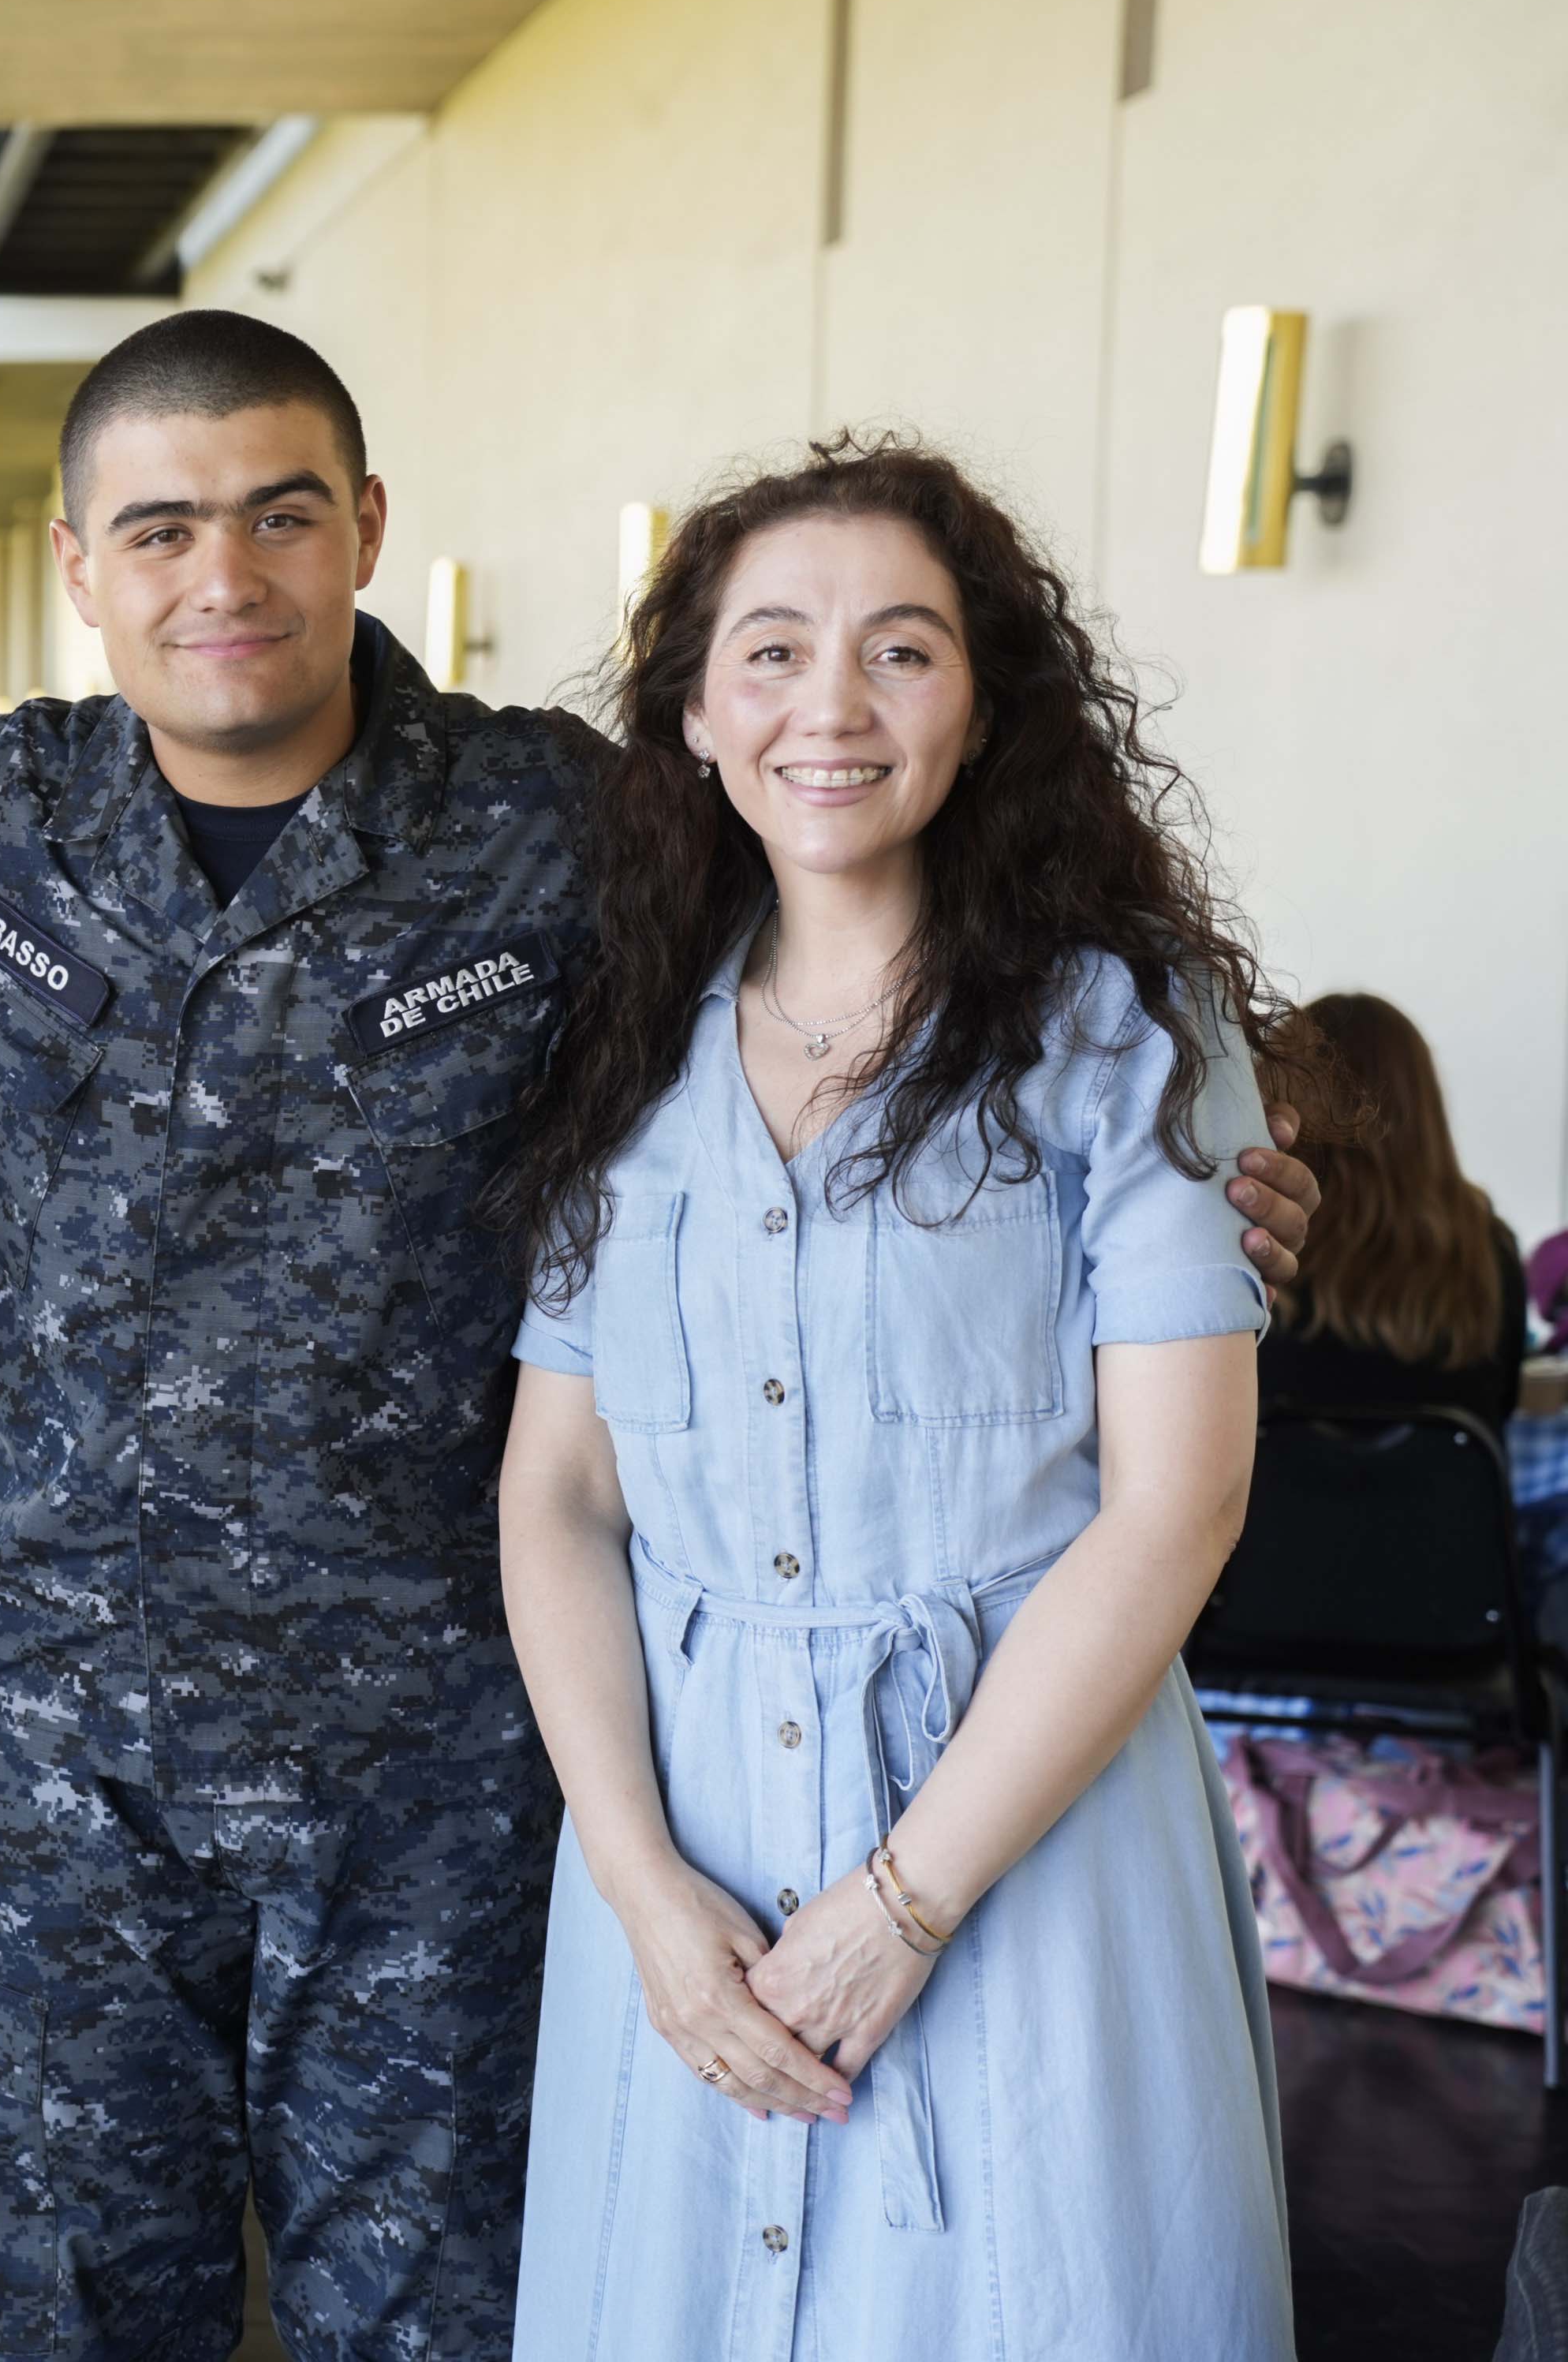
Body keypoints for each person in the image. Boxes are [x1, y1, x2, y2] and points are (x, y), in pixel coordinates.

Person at [0, 314, 1319, 2359]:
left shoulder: (553, 830)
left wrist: (1229, 1181)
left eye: (283, 514)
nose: (224, 575)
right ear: (77, 560)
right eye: (162, 528)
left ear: (369, 526)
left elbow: (938, 984)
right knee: (68, 2298)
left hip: (439, 1766)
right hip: (72, 1755)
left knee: (445, 2310)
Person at [493, 439, 1295, 2358]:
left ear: (985, 706)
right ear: (696, 715)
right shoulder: (624, 1038)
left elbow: (1176, 1502)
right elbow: (559, 1495)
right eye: (770, 652)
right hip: (684, 1853)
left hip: (1033, 1841)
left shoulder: (1128, 1029)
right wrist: (638, 1882)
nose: (831, 705)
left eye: (903, 651)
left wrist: (906, 1903)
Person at [1260, 992, 1527, 1423]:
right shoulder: (1490, 1251)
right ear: (1423, 1105)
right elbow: (1504, 1406)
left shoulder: (1252, 1248)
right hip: (1450, 1470)